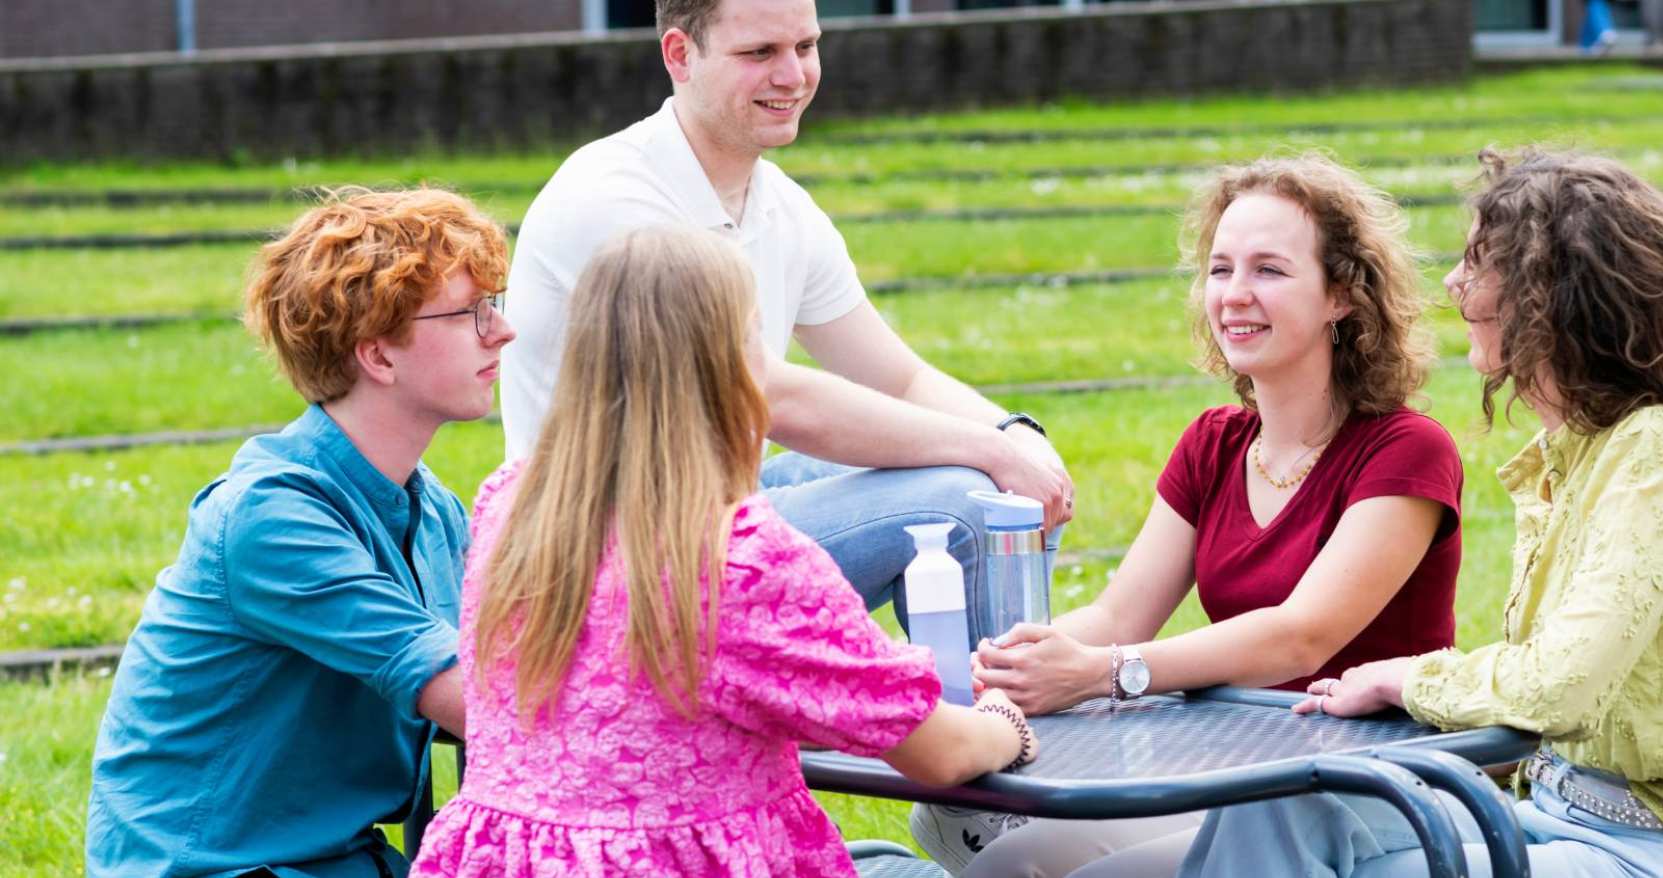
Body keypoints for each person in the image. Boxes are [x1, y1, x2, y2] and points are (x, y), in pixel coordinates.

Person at [1174, 148, 1663, 878]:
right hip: (1547, 816)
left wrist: (1405, 679)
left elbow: (1561, 686)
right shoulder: (1574, 450)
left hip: (1656, 855)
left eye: (1478, 265)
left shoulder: (1660, 450)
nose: (1454, 283)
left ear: (1548, 293)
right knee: (1278, 799)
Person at [411, 225, 1038, 878]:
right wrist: (1004, 720)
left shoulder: (509, 506)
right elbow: (938, 753)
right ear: (734, 364)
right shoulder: (737, 561)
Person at [911, 154, 1465, 878]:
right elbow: (1117, 617)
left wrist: (1102, 674)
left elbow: (1301, 636)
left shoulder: (1407, 452)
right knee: (1006, 865)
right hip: (1239, 766)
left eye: (1269, 270)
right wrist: (1000, 663)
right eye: (1221, 269)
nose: (1234, 294)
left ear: (1341, 296)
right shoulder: (1214, 443)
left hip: (1372, 781)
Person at [500, 0, 1073, 645]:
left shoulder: (779, 206)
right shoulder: (613, 198)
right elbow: (761, 394)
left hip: (710, 510)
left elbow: (899, 377)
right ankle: (995, 723)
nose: (793, 76)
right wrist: (989, 451)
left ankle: (980, 701)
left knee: (1000, 485)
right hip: (607, 555)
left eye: (805, 46)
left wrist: (1016, 435)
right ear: (680, 55)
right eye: (760, 54)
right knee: (965, 506)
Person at [86, 188, 514, 877]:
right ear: (378, 356)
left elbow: (506, 683)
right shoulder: (271, 516)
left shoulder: (432, 509)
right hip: (215, 868)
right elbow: (478, 701)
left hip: (335, 858)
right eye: (471, 314)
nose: (501, 332)